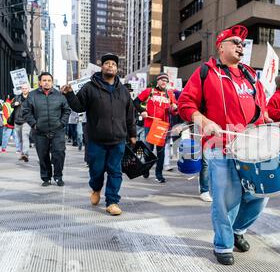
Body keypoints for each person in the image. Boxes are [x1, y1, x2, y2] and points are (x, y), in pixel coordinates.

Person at [178, 25, 271, 265]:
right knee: (226, 199)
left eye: (242, 43)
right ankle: (223, 243)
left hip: (251, 145)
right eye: (235, 42)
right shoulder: (206, 73)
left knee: (260, 194)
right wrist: (203, 120)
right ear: (221, 46)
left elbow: (260, 106)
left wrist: (266, 120)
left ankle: (238, 229)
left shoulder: (251, 75)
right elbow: (185, 104)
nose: (241, 46)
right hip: (221, 144)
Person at [61, 53, 136, 216]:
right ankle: (96, 188)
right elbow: (79, 107)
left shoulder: (123, 91)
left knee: (115, 171)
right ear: (102, 67)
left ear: (117, 69)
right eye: (107, 63)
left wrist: (132, 135)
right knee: (96, 170)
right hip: (96, 140)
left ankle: (112, 201)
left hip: (118, 140)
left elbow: (130, 115)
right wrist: (69, 94)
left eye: (113, 64)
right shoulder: (89, 87)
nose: (110, 66)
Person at [22, 72, 71, 186]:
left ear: (52, 82)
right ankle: (46, 177)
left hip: (57, 130)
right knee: (43, 155)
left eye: (49, 80)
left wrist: (62, 123)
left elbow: (66, 110)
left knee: (59, 153)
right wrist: (34, 124)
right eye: (44, 80)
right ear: (40, 82)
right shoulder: (32, 95)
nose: (47, 82)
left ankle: (58, 176)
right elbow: (26, 111)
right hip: (39, 131)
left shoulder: (60, 95)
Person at [134, 73, 178, 183]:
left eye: (166, 80)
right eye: (162, 80)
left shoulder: (170, 95)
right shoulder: (149, 91)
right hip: (150, 125)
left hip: (163, 126)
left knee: (161, 152)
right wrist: (142, 111)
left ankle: (159, 174)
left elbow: (174, 112)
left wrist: (174, 108)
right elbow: (135, 102)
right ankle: (145, 168)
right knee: (148, 149)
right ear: (157, 81)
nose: (164, 82)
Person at [12, 84, 32, 162]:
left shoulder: (31, 97)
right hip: (17, 120)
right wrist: (14, 104)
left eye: (26, 88)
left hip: (26, 121)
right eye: (23, 88)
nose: (24, 90)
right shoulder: (17, 97)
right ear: (21, 89)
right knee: (20, 139)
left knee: (25, 137)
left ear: (28, 89)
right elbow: (11, 104)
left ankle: (25, 154)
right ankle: (22, 154)